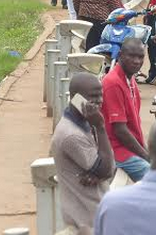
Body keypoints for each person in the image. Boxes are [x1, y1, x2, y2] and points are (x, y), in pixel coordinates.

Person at [51, 73, 115, 232]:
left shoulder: (86, 121)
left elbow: (109, 168)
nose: (100, 100)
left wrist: (100, 172)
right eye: (93, 96)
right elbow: (107, 168)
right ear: (75, 98)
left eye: (101, 95)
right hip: (85, 221)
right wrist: (100, 127)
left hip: (96, 214)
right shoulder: (72, 135)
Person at [101, 39, 149, 181]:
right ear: (120, 55)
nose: (136, 61)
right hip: (117, 151)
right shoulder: (113, 83)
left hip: (128, 148)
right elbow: (120, 131)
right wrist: (146, 156)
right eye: (131, 56)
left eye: (140, 57)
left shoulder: (130, 79)